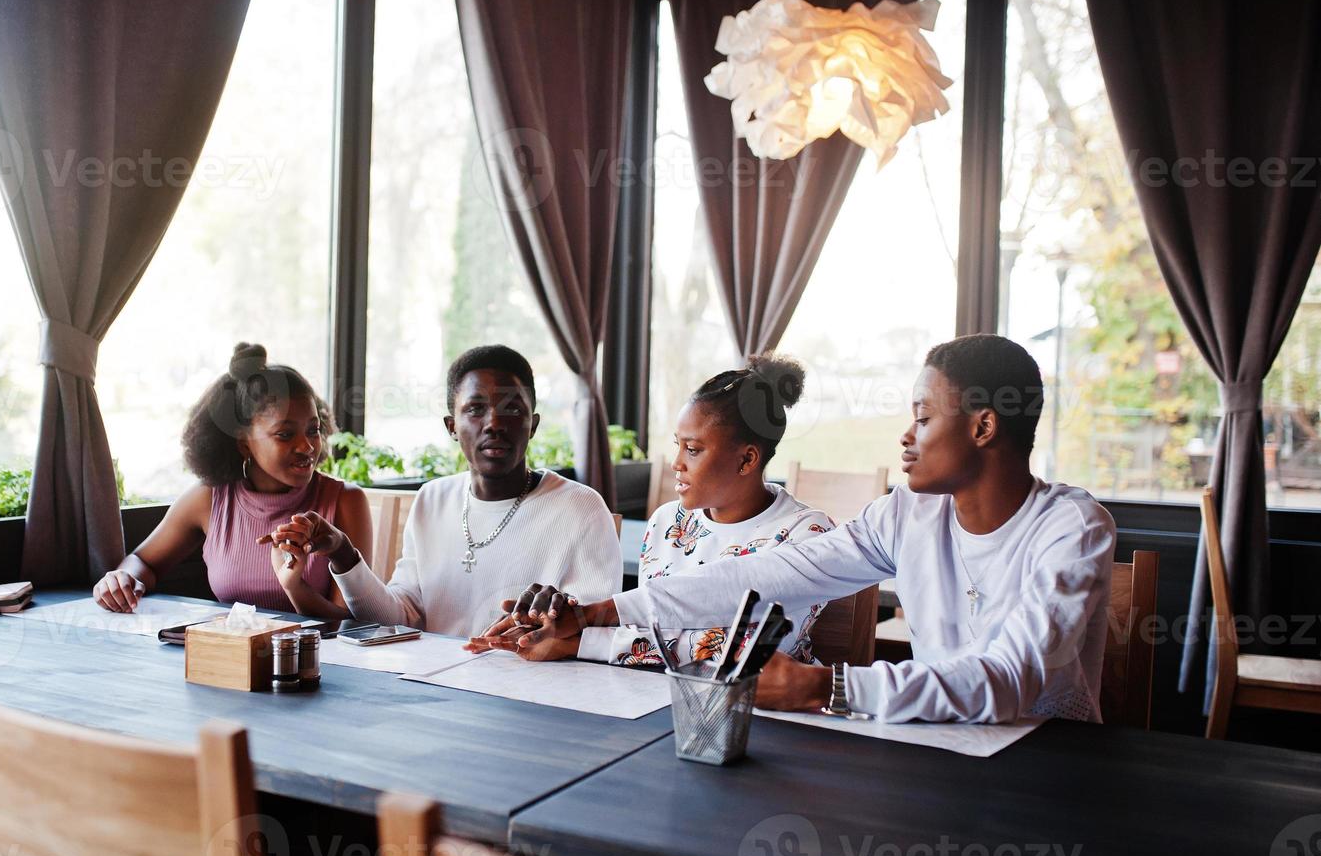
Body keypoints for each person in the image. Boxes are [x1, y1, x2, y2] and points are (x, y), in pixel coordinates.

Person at [477, 335, 1116, 725]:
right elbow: (761, 574)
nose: (905, 435)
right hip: (938, 742)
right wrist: (597, 613)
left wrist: (828, 685)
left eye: (923, 417)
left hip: (1049, 764)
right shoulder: (908, 514)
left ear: (983, 427)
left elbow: (1008, 679)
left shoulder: (1071, 527)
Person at [473, 354, 834, 667]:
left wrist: (579, 642)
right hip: (651, 698)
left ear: (747, 459)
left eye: (693, 450)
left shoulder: (807, 534)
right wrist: (550, 621)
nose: (676, 463)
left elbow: (745, 652)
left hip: (764, 716)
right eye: (678, 446)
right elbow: (644, 631)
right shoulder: (666, 523)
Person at [302, 345, 621, 637]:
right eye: (475, 409)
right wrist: (344, 555)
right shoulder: (432, 500)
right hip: (432, 688)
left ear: (533, 425)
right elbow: (399, 616)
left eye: (511, 409)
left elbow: (598, 630)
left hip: (528, 689)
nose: (494, 423)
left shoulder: (581, 508)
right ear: (451, 427)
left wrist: (560, 616)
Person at [93, 343, 372, 618]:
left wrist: (295, 587)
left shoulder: (346, 502)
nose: (308, 446)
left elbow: (351, 625)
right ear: (244, 443)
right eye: (285, 435)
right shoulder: (209, 499)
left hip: (316, 660)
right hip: (229, 658)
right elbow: (143, 562)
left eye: (313, 430)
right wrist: (122, 578)